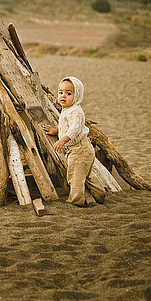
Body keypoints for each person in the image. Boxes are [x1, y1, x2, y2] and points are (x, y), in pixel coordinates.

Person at [42, 76, 106, 207]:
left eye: (68, 93)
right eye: (60, 93)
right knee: (87, 175)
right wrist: (55, 131)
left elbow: (75, 129)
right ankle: (100, 194)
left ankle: (76, 200)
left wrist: (62, 140)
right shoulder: (68, 110)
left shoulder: (75, 111)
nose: (63, 96)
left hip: (79, 150)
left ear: (77, 96)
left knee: (75, 177)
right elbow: (67, 125)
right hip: (83, 149)